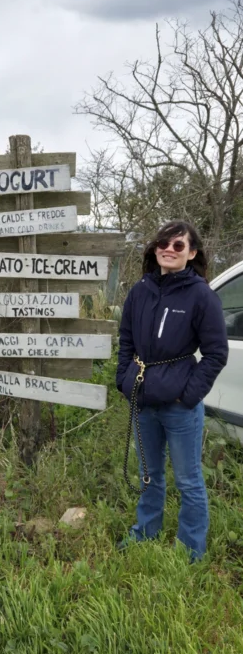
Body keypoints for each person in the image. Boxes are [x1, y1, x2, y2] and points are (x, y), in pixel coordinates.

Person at [116, 220, 228, 559]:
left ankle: (190, 549)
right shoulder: (140, 290)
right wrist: (124, 378)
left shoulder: (201, 295)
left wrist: (188, 394)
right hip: (143, 398)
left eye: (179, 245)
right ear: (154, 248)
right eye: (164, 243)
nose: (169, 249)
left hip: (179, 406)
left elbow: (215, 353)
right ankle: (145, 532)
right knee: (149, 475)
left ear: (191, 253)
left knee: (188, 481)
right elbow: (126, 339)